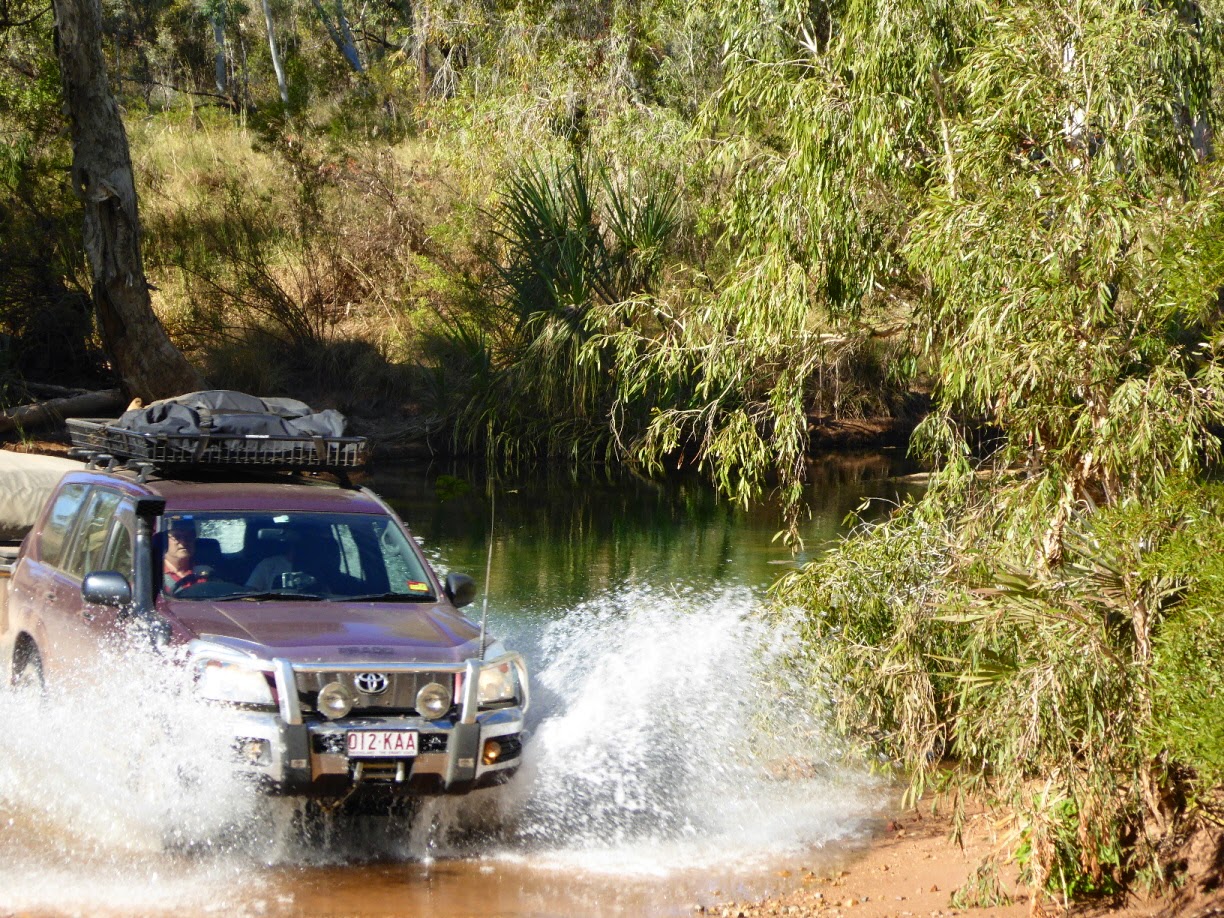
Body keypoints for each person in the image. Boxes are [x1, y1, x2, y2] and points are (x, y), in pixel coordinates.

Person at [163, 516, 208, 592]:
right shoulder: (152, 574)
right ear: (164, 540)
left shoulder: (207, 572)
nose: (183, 542)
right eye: (176, 537)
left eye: (189, 536)